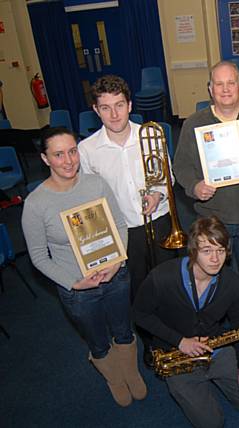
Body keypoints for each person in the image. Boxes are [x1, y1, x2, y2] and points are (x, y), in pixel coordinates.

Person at [22, 127, 147, 407]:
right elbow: (39, 256)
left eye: (72, 151)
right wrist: (74, 283)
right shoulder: (36, 204)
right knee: (98, 340)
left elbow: (118, 224)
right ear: (45, 159)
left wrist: (116, 263)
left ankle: (130, 370)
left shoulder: (96, 184)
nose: (68, 161)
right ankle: (114, 378)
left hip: (115, 275)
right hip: (78, 288)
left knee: (124, 330)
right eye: (58, 154)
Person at [173, 61, 239, 342]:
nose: (226, 89)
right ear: (210, 89)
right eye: (219, 84)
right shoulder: (194, 124)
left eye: (231, 83)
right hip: (213, 217)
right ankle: (222, 322)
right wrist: (195, 186)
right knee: (215, 276)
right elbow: (180, 167)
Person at [78, 75, 175, 366]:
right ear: (96, 110)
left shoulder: (151, 135)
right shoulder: (88, 150)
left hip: (159, 220)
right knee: (138, 289)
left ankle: (174, 334)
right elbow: (89, 200)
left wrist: (157, 195)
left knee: (168, 282)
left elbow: (168, 176)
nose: (114, 114)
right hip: (123, 232)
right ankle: (150, 342)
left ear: (130, 104)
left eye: (119, 105)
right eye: (105, 108)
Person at [133, 216, 239, 428]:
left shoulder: (232, 283)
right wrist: (180, 341)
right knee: (212, 424)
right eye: (207, 251)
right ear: (193, 251)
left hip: (215, 350)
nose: (215, 259)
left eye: (220, 251)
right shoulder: (162, 277)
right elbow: (139, 314)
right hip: (177, 354)